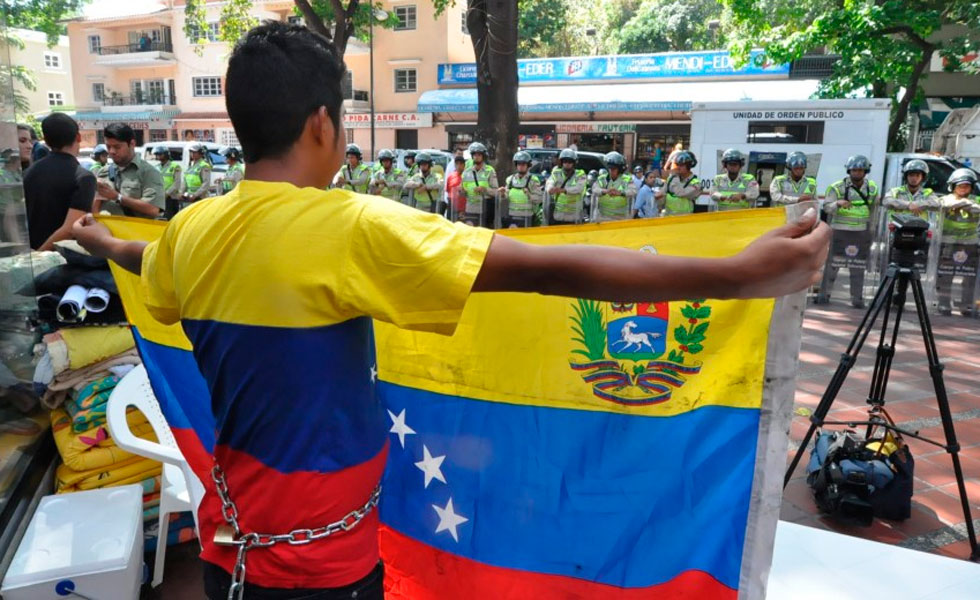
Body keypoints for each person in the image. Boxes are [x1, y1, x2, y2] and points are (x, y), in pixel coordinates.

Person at [71, 22, 830, 599]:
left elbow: (148, 260)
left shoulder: (195, 231)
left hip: (226, 543)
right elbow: (542, 267)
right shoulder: (347, 226)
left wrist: (102, 236)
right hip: (323, 567)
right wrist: (734, 274)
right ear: (322, 125)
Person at [23, 113, 95, 251]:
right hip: (61, 260)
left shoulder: (29, 172)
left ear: (46, 141)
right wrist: (40, 255)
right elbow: (71, 229)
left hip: (30, 255)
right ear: (78, 137)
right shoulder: (84, 177)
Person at [817, 155, 880, 308]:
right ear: (849, 170)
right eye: (854, 170)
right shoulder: (837, 187)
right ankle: (824, 295)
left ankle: (857, 298)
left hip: (861, 233)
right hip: (839, 231)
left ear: (866, 171)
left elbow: (874, 211)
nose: (857, 173)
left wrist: (872, 232)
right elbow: (826, 207)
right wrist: (837, 203)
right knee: (832, 265)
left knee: (858, 267)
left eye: (860, 170)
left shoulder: (872, 187)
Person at [936, 168, 980, 316]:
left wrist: (962, 204)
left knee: (970, 276)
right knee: (945, 275)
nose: (963, 188)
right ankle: (943, 304)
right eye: (960, 185)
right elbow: (941, 206)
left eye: (967, 185)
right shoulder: (945, 199)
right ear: (953, 186)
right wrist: (958, 204)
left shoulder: (977, 200)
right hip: (948, 242)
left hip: (970, 243)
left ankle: (967, 305)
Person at [97, 122, 165, 218]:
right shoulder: (103, 172)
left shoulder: (148, 172)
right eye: (108, 147)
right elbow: (95, 207)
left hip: (135, 231)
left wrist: (117, 197)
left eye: (117, 147)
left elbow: (153, 209)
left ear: (132, 144)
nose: (112, 151)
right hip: (105, 231)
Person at [496, 150, 543, 228]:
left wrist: (529, 195)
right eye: (519, 164)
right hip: (512, 216)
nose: (521, 166)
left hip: (527, 217)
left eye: (523, 164)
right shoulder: (510, 179)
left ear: (528, 165)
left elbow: (539, 199)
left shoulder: (533, 180)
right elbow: (507, 196)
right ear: (516, 165)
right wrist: (502, 193)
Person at [545, 148, 588, 224]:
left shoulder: (580, 174)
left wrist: (564, 190)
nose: (567, 163)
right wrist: (550, 188)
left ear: (574, 163)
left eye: (570, 161)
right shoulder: (556, 173)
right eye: (565, 161)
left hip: (574, 217)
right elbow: (550, 181)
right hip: (559, 216)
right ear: (561, 162)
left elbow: (579, 188)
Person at [460, 142, 498, 226]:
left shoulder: (490, 170)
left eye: (479, 155)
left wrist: (484, 189)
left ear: (483, 156)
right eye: (474, 155)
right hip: (471, 209)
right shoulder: (466, 172)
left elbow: (496, 191)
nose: (476, 157)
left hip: (485, 210)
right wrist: (461, 191)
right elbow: (463, 192)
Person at [592, 151, 636, 222]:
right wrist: (605, 191)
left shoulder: (627, 179)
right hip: (603, 218)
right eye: (610, 169)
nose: (611, 171)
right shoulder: (602, 178)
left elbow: (633, 191)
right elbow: (594, 189)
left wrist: (620, 193)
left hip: (620, 219)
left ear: (620, 169)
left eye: (614, 169)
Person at [656, 150, 700, 216]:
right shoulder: (672, 179)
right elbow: (662, 195)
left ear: (689, 166)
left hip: (684, 220)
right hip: (668, 218)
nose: (678, 167)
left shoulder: (696, 183)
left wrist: (674, 176)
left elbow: (681, 193)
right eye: (677, 165)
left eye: (681, 165)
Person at [154, 146, 182, 218]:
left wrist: (166, 193)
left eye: (160, 154)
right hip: (160, 197)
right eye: (157, 154)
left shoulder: (175, 166)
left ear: (166, 154)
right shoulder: (156, 167)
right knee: (160, 219)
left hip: (171, 197)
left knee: (169, 218)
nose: (158, 156)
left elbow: (177, 183)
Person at [446, 154, 466, 218]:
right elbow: (448, 192)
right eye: (457, 164)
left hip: (464, 209)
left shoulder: (468, 176)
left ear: (464, 165)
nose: (459, 166)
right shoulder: (450, 176)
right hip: (452, 208)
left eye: (461, 164)